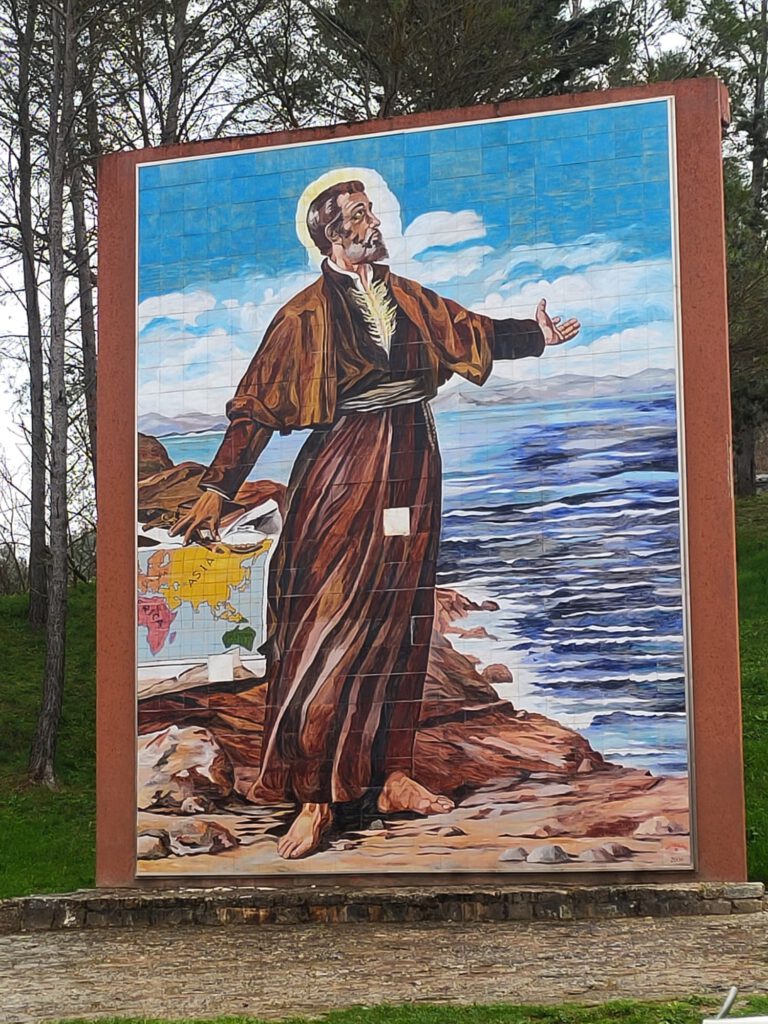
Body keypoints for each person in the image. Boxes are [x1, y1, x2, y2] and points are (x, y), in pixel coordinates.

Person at [171, 178, 580, 859]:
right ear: (333, 234)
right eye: (360, 215)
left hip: (413, 458)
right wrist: (219, 486)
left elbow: (471, 332)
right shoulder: (304, 315)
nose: (373, 223)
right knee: (325, 622)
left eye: (371, 212)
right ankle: (315, 795)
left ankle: (391, 776)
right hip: (344, 465)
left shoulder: (408, 296)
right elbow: (255, 409)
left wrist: (535, 335)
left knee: (403, 611)